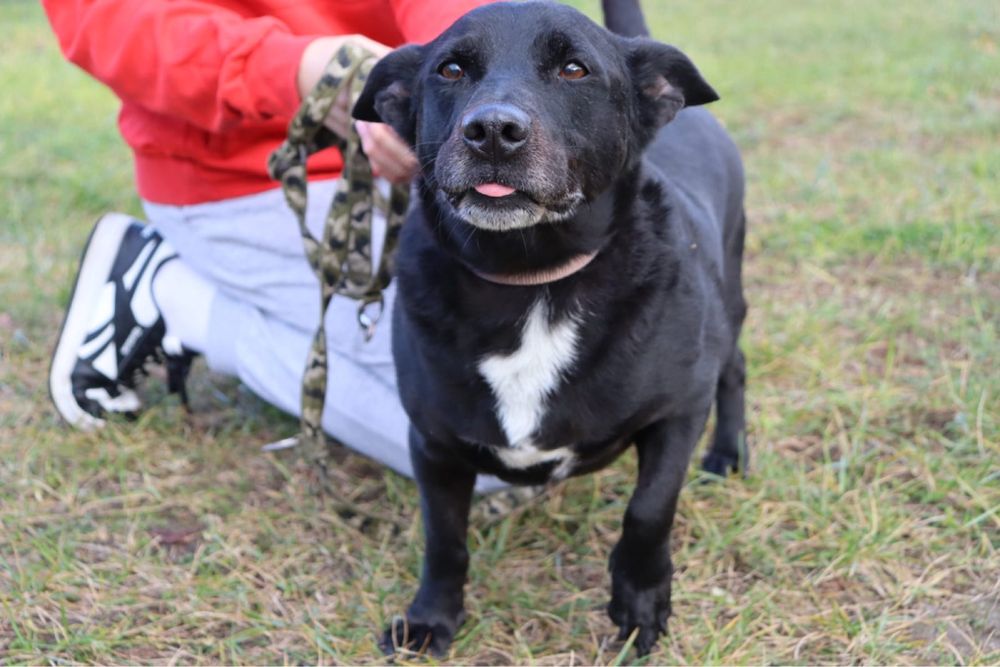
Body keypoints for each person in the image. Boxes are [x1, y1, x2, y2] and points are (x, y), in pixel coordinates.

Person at [41, 0, 508, 491]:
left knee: (542, 398)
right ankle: (173, 294)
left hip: (413, 156)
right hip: (239, 177)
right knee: (488, 451)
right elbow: (108, 18)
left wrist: (462, 70)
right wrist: (299, 68)